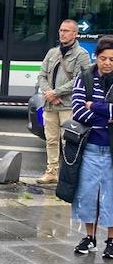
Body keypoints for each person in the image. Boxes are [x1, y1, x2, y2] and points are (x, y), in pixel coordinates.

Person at [71, 35, 113, 259]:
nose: (107, 63)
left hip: (111, 149)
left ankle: (111, 240)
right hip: (90, 147)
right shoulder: (84, 78)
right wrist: (107, 116)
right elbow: (78, 111)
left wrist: (96, 107)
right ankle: (90, 237)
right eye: (103, 58)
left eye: (112, 59)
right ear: (96, 57)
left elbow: (89, 108)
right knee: (87, 194)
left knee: (111, 195)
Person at [37, 19, 90, 184]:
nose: (62, 33)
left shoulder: (81, 54)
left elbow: (79, 79)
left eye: (67, 31)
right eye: (61, 30)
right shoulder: (52, 52)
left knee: (68, 141)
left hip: (68, 105)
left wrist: (56, 92)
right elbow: (41, 75)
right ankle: (51, 172)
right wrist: (48, 93)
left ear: (75, 34)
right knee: (51, 140)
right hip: (50, 104)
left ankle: (68, 175)